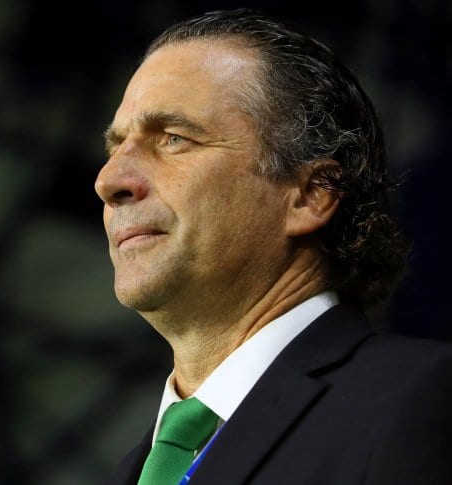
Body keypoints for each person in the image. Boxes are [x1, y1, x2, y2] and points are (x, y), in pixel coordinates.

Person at [95, 9, 452, 485]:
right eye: (115, 148)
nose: (108, 181)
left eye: (174, 139)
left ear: (310, 195)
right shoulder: (132, 471)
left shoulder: (419, 400)